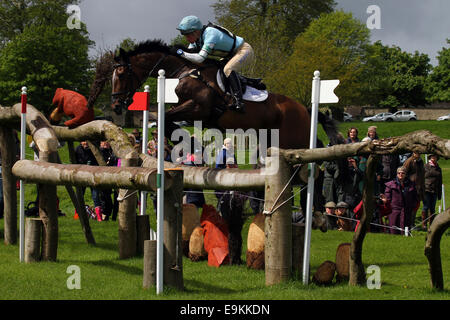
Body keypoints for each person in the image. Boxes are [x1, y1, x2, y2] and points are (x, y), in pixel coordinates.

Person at [175, 15, 254, 113]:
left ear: (196, 31)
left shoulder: (211, 34)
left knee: (227, 70)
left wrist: (181, 53)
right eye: (184, 34)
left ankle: (239, 102)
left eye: (187, 34)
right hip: (230, 55)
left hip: (244, 50)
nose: (186, 38)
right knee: (215, 70)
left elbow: (199, 58)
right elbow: (190, 57)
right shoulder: (196, 40)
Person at [384, 166, 419, 235]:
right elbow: (387, 199)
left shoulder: (411, 184)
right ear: (397, 174)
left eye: (403, 173)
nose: (400, 174)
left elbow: (415, 197)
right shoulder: (390, 185)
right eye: (399, 173)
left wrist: (413, 207)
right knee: (394, 231)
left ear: (405, 174)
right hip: (394, 211)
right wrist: (386, 209)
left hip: (407, 211)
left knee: (406, 232)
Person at [75, 141, 102, 221]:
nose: (85, 143)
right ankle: (77, 214)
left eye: (87, 141)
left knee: (95, 195)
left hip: (92, 175)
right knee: (80, 194)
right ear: (81, 142)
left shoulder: (93, 148)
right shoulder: (77, 149)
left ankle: (99, 216)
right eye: (83, 141)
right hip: (81, 175)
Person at [402, 151, 425, 228]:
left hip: (419, 187)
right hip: (411, 187)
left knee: (416, 206)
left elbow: (422, 174)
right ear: (413, 153)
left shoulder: (421, 161)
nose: (418, 154)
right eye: (416, 152)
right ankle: (408, 224)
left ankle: (412, 223)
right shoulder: (409, 161)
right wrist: (407, 184)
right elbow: (403, 172)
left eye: (419, 153)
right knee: (410, 207)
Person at [99, 140, 119, 221]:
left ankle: (112, 215)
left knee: (113, 197)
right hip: (104, 176)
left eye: (107, 142)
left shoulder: (111, 151)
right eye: (103, 142)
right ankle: (105, 214)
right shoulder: (100, 152)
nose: (106, 143)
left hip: (113, 175)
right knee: (105, 197)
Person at [422, 154, 443, 230]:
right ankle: (424, 224)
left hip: (435, 190)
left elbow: (440, 181)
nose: (434, 158)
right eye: (432, 157)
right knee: (425, 207)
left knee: (432, 208)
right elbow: (421, 179)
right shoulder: (425, 166)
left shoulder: (438, 168)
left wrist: (440, 194)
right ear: (430, 158)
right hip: (426, 190)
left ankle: (431, 225)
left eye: (435, 157)